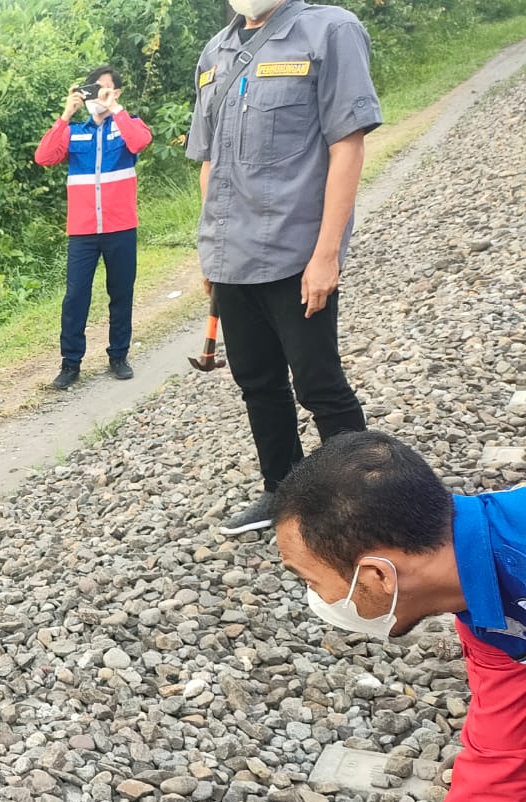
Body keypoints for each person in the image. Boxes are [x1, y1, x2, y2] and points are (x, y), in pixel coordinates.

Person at [274, 431, 526, 802]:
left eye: (312, 581)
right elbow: (502, 751)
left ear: (376, 575)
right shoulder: (489, 608)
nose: (318, 600)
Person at [187, 0, 382, 536]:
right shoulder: (216, 51)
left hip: (296, 253)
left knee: (319, 385)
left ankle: (365, 501)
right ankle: (283, 491)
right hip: (232, 256)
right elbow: (209, 160)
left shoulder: (330, 30)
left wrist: (326, 255)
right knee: (258, 383)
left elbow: (347, 146)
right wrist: (212, 248)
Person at [35, 65, 154, 391]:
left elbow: (140, 141)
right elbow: (44, 157)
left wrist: (114, 108)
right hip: (83, 231)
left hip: (120, 227)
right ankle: (70, 363)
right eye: (93, 89)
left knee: (121, 293)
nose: (98, 95)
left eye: (104, 88)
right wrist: (66, 114)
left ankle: (119, 356)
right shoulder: (74, 132)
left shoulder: (127, 126)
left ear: (117, 92)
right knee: (75, 297)